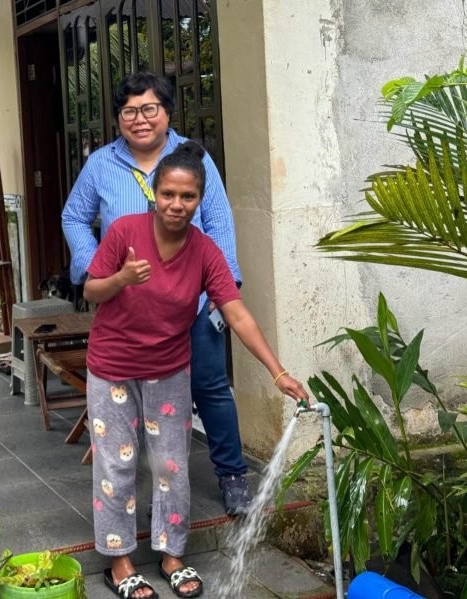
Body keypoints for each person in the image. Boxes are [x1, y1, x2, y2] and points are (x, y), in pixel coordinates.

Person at [84, 141, 308, 599]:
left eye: (187, 197)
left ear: (199, 200)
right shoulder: (125, 232)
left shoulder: (205, 251)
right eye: (168, 194)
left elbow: (237, 313)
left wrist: (277, 372)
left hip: (167, 368)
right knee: (116, 463)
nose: (176, 205)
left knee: (171, 465)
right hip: (113, 368)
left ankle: (171, 555)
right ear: (154, 193)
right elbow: (91, 291)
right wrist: (122, 279)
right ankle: (120, 560)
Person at [62, 71, 254, 516]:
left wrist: (221, 290)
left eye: (150, 109)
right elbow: (74, 217)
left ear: (167, 113)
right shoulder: (101, 165)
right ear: (118, 119)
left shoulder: (193, 159)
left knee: (210, 387)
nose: (140, 119)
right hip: (128, 307)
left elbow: (220, 223)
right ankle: (138, 486)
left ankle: (232, 476)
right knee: (129, 398)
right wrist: (97, 271)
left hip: (192, 301)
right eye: (129, 111)